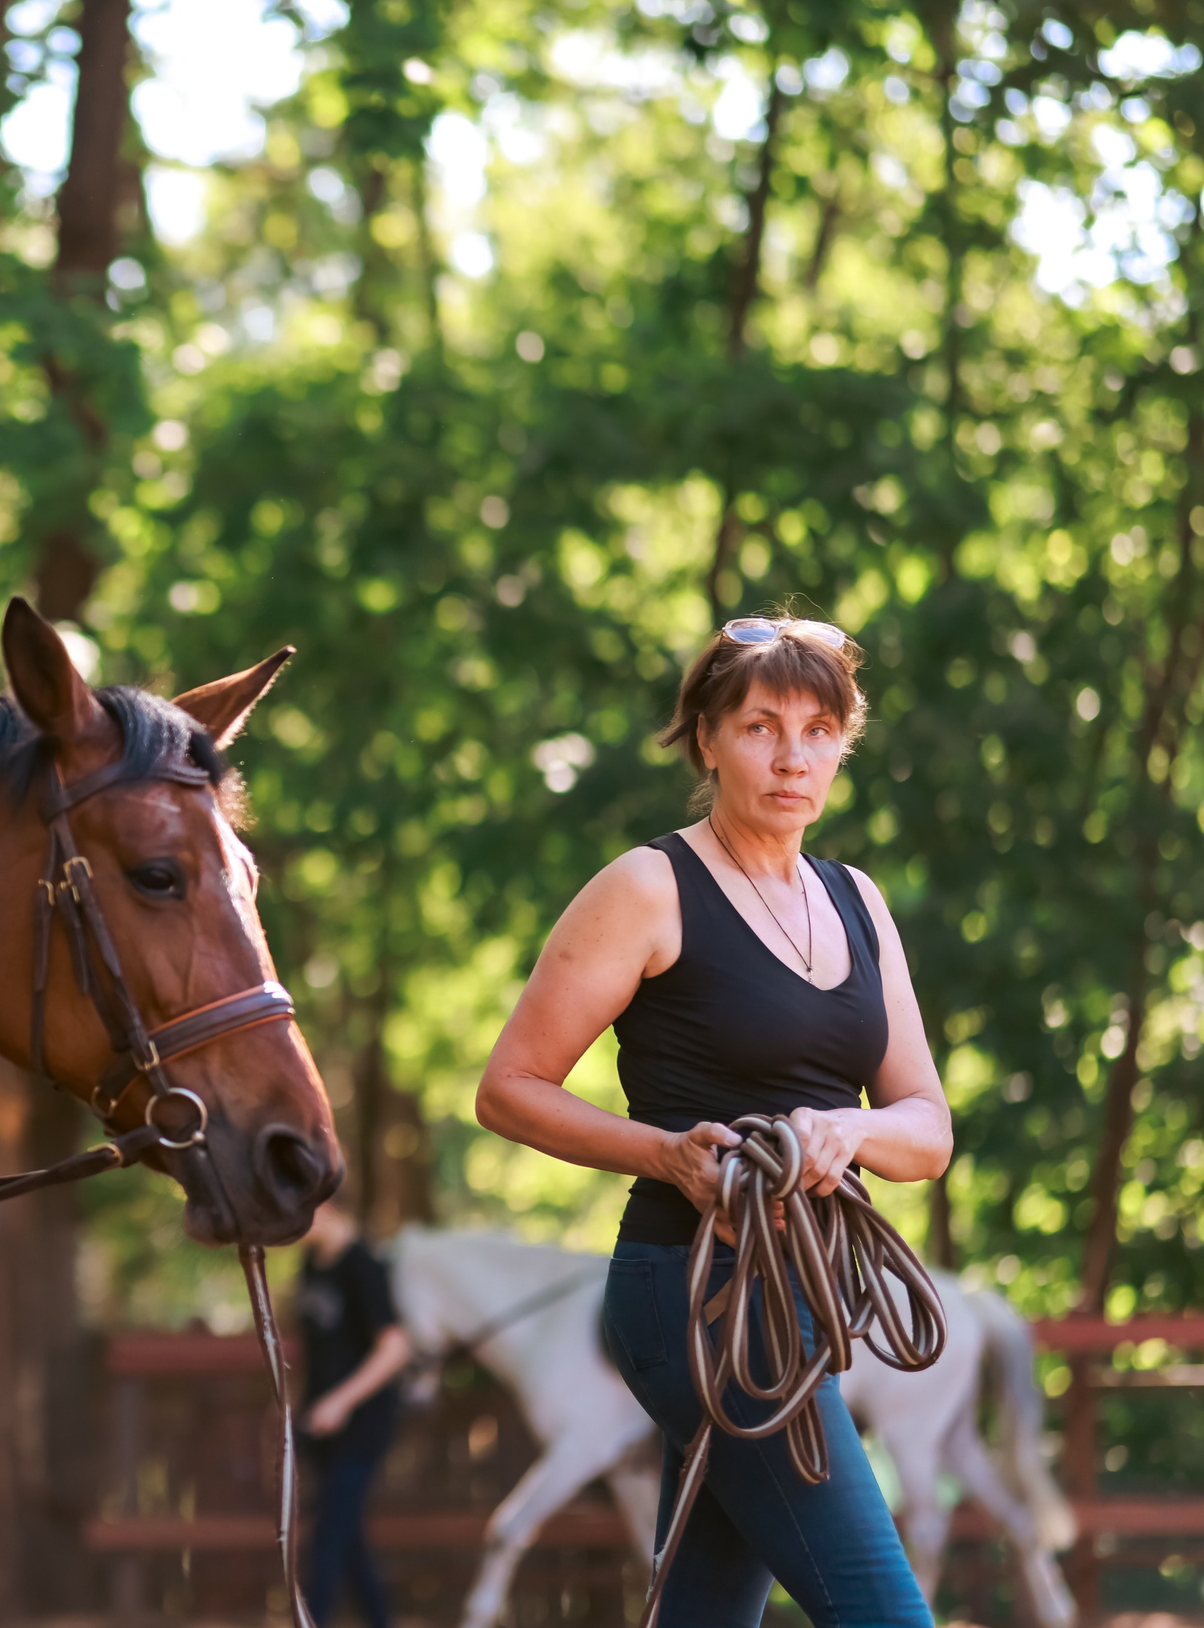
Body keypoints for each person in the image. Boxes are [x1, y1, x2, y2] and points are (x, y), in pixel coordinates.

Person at [473, 616, 952, 1626]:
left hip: (805, 1300)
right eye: (760, 727)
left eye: (818, 730)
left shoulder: (857, 901)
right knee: (885, 1612)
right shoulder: (648, 888)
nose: (791, 757)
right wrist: (666, 1154)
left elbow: (925, 1128)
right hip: (693, 1295)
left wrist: (847, 1131)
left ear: (842, 745)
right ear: (706, 739)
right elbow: (508, 1085)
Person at [297, 1198, 412, 1628]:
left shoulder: (363, 1265)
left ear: (326, 1207)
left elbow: (395, 1347)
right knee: (348, 1543)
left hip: (361, 1426)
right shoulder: (312, 1263)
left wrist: (340, 1401)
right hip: (320, 1426)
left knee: (327, 1538)